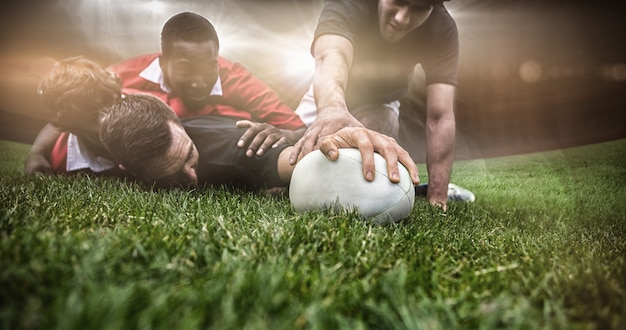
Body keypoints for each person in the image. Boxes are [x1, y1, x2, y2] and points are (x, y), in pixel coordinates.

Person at [24, 11, 305, 175]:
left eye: (208, 68)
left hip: (217, 138)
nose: (198, 82)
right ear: (163, 61)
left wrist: (286, 134)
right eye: (185, 69)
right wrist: (36, 153)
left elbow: (296, 128)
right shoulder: (122, 76)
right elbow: (69, 107)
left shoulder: (237, 80)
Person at [289, 0, 474, 208]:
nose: (401, 18)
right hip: (328, 94)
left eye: (419, 8)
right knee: (285, 167)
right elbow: (331, 54)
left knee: (364, 167)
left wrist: (438, 196)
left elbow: (440, 116)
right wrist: (331, 109)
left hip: (382, 102)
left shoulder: (441, 26)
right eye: (398, 2)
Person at [98, 93, 420, 190]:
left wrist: (340, 140)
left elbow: (291, 161)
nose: (192, 178)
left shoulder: (236, 145)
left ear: (176, 119)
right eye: (172, 177)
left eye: (188, 158)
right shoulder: (110, 159)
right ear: (131, 169)